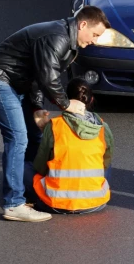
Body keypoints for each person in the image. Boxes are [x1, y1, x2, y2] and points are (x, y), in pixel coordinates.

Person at [0, 6, 110, 222]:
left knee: (36, 135)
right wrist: (67, 105)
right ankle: (14, 204)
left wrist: (37, 108)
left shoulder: (67, 40)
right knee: (17, 139)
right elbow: (48, 78)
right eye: (95, 34)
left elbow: (40, 75)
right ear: (82, 24)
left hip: (18, 84)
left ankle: (29, 189)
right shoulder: (57, 38)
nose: (95, 40)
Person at [27, 78, 113, 214]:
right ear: (91, 100)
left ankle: (21, 198)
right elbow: (105, 164)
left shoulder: (55, 125)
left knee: (25, 165)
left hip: (55, 203)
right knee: (103, 160)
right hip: (95, 203)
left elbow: (40, 166)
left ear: (66, 101)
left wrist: (45, 131)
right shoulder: (103, 127)